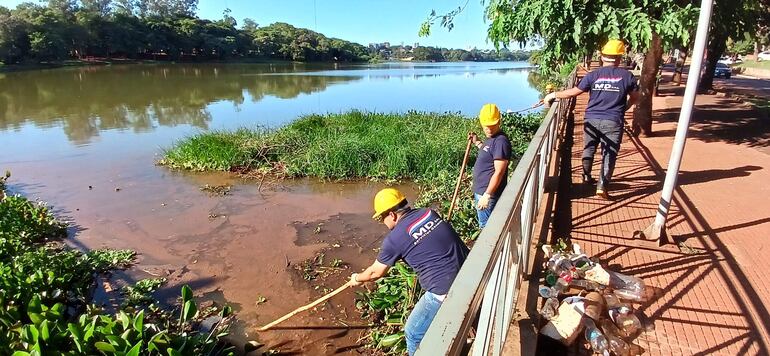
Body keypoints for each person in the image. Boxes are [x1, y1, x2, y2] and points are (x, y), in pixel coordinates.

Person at [347, 188, 469, 355]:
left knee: (413, 332)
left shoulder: (395, 238)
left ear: (392, 215)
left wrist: (357, 278)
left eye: (382, 217)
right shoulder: (429, 213)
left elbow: (376, 272)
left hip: (444, 290)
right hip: (469, 272)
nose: (383, 222)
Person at [543, 39, 640, 199]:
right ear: (619, 58)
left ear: (602, 57)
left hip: (591, 120)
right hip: (613, 121)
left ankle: (586, 176)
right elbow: (635, 97)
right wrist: (625, 107)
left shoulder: (593, 75)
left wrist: (553, 94)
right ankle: (602, 186)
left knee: (589, 148)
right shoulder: (627, 76)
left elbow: (573, 92)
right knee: (609, 153)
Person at [468, 103, 512, 228]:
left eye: (492, 126)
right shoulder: (491, 138)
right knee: (486, 224)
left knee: (487, 227)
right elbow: (488, 150)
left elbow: (499, 172)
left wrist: (487, 195)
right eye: (486, 126)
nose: (489, 129)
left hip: (488, 194)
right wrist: (477, 142)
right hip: (482, 191)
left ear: (499, 122)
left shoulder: (501, 142)